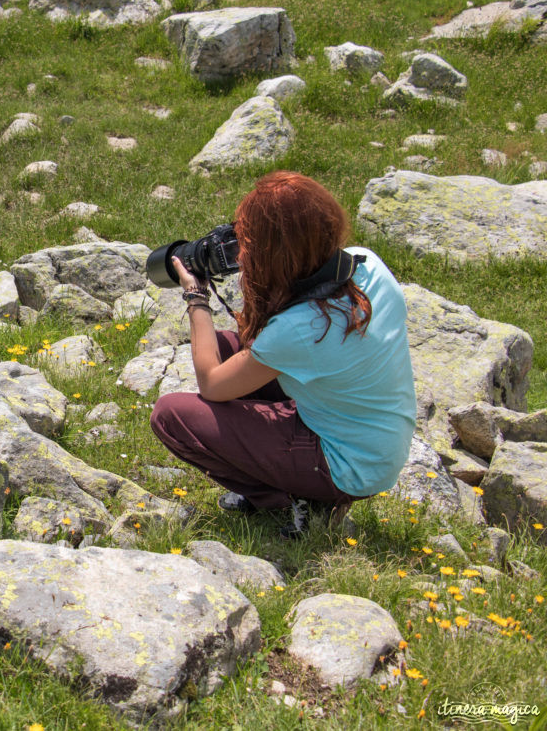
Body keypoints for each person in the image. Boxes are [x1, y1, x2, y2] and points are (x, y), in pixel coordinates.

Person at [149, 171, 416, 539]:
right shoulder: (366, 264)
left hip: (350, 468)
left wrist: (196, 296)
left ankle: (293, 498)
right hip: (377, 440)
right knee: (227, 346)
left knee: (172, 415)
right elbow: (271, 340)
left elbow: (211, 384)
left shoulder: (299, 329)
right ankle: (296, 482)